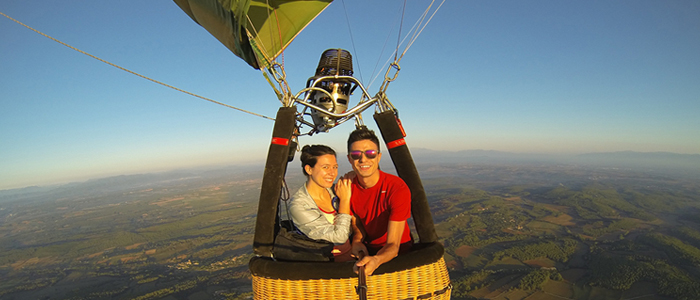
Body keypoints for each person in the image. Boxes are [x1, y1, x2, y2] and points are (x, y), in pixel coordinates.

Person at [346, 128, 413, 276]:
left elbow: (393, 245)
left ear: (378, 157)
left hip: (398, 254)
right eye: (356, 155)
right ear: (349, 159)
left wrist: (376, 260)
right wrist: (357, 240)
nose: (363, 160)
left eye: (370, 153)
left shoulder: (396, 188)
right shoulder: (348, 187)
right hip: (368, 251)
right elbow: (356, 222)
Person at [287, 144, 354, 262]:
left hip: (353, 255)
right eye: (325, 167)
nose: (332, 173)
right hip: (328, 267)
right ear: (309, 169)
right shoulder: (299, 206)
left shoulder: (335, 191)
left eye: (335, 167)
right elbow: (339, 238)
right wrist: (344, 200)